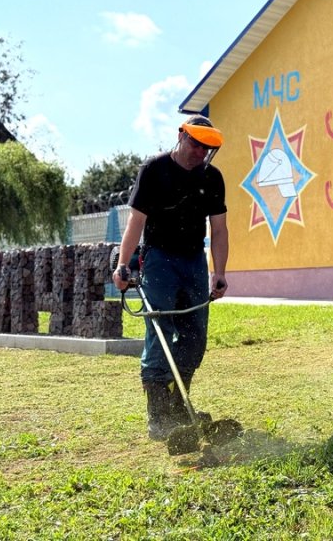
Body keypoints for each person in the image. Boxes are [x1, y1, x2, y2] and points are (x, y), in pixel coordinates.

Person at [113, 114, 229, 441]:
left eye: (207, 148)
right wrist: (124, 265)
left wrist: (218, 272)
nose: (200, 152)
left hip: (193, 260)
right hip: (159, 259)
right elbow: (135, 223)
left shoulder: (213, 177)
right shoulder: (154, 171)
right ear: (181, 136)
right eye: (195, 144)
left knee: (195, 338)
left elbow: (219, 230)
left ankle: (179, 405)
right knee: (160, 330)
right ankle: (159, 414)